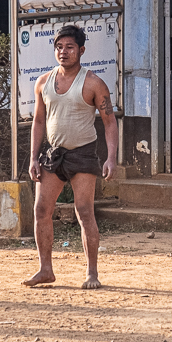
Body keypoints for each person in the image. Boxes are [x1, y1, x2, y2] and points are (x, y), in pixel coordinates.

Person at [24, 24, 118, 290]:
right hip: (53, 155)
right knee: (41, 209)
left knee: (84, 211)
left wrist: (111, 158)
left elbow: (110, 122)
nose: (63, 52)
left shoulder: (94, 83)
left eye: (69, 47)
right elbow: (38, 121)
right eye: (59, 47)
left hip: (83, 155)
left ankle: (92, 272)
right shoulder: (43, 82)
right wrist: (33, 157)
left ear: (81, 50)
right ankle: (45, 269)